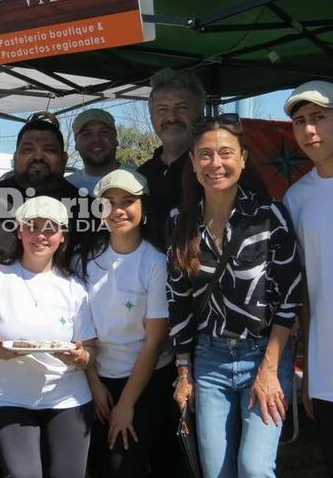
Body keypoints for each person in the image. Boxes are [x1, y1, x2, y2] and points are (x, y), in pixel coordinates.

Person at [0, 115, 100, 478]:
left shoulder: (87, 207)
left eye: (49, 150)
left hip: (65, 370)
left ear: (65, 159)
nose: (38, 156)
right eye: (28, 149)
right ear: (15, 156)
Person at [168, 115, 302, 478]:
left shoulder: (269, 216)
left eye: (226, 153)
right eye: (205, 154)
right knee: (216, 472)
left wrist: (271, 368)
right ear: (193, 162)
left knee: (254, 468)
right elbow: (178, 299)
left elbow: (290, 296)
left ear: (243, 158)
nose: (216, 163)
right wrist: (184, 371)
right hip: (209, 360)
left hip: (264, 353)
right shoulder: (181, 220)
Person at [72, 169, 173, 477]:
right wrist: (94, 383)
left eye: (127, 201)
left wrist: (126, 404)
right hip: (97, 379)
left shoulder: (156, 262)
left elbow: (154, 342)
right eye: (109, 202)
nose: (118, 211)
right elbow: (81, 330)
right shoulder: (84, 259)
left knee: (126, 465)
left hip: (145, 382)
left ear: (143, 207)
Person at [282, 80, 333, 477]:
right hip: (326, 368)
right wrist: (310, 369)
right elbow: (303, 293)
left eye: (319, 117)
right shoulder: (296, 198)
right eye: (300, 121)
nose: (309, 130)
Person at [138, 68, 206, 244]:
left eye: (181, 108)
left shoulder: (213, 172)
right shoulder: (140, 176)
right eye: (162, 109)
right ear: (152, 117)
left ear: (200, 114)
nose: (171, 117)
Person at [67, 108, 136, 194]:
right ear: (76, 143)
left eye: (104, 132)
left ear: (116, 139)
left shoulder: (140, 178)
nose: (96, 139)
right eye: (87, 134)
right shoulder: (64, 187)